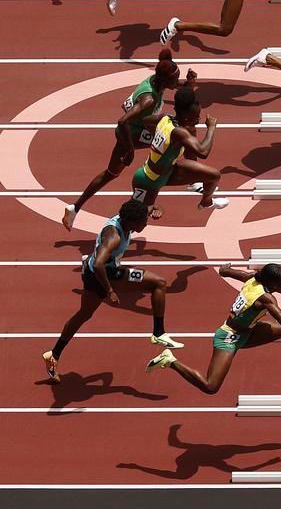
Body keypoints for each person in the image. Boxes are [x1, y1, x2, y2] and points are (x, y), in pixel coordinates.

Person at [148, 263, 281, 393]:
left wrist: (225, 270)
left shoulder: (254, 280)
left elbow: (236, 273)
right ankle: (170, 360)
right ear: (272, 283)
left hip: (248, 330)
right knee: (210, 386)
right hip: (228, 337)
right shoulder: (265, 298)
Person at [42, 199, 183, 384]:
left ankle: (53, 354)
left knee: (83, 314)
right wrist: (110, 291)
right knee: (159, 283)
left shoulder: (130, 216)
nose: (146, 224)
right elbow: (100, 263)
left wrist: (158, 209)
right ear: (133, 222)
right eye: (144, 222)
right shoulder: (114, 236)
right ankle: (158, 333)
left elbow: (152, 207)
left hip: (92, 273)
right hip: (105, 274)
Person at [63, 49, 195, 231]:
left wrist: (187, 84)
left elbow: (172, 85)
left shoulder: (156, 82)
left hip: (140, 128)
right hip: (130, 134)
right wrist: (130, 149)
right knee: (176, 135)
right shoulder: (148, 100)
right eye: (176, 79)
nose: (177, 82)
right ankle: (192, 180)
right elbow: (122, 121)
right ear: (165, 81)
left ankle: (74, 208)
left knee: (111, 173)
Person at [130, 86, 229, 215]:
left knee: (214, 176)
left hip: (170, 171)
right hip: (149, 179)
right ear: (186, 117)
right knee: (136, 218)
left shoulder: (164, 118)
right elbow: (203, 152)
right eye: (196, 116)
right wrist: (211, 128)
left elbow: (146, 121)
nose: (198, 119)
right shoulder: (179, 133)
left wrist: (159, 137)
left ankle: (206, 202)